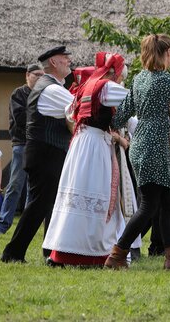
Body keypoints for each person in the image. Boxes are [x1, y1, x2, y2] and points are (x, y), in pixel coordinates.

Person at [104, 34, 170, 270]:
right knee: (149, 204)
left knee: (167, 201)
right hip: (154, 146)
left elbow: (120, 116)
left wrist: (159, 112)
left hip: (141, 144)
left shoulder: (139, 79)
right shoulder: (164, 79)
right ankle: (117, 255)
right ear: (166, 53)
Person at [42, 53, 131, 266]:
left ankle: (61, 253)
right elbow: (134, 100)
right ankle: (91, 254)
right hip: (95, 146)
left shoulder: (87, 86)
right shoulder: (106, 88)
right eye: (121, 76)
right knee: (96, 192)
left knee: (76, 193)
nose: (120, 80)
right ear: (115, 74)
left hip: (81, 143)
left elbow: (69, 112)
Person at [1, 46, 74, 264]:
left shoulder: (52, 86)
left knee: (47, 204)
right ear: (54, 62)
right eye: (65, 58)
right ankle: (13, 252)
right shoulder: (51, 89)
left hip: (46, 152)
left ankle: (49, 252)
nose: (69, 61)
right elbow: (79, 109)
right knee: (39, 205)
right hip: (45, 153)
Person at [0, 64, 44, 234]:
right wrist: (39, 117)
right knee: (15, 185)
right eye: (36, 74)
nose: (40, 78)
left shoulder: (44, 94)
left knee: (33, 186)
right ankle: (3, 224)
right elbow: (20, 118)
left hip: (38, 145)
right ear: (27, 75)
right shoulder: (19, 93)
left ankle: (26, 225)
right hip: (21, 144)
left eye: (42, 75)